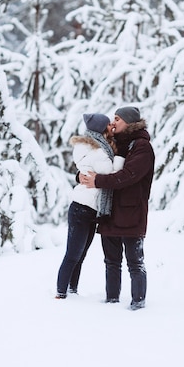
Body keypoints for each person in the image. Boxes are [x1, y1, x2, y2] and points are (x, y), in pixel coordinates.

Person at [80, 106, 154, 310]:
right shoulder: (111, 145)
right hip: (109, 211)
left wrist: (98, 181)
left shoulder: (141, 147)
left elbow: (129, 175)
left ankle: (138, 303)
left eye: (117, 119)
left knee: (134, 262)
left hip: (131, 212)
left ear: (129, 123)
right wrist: (80, 176)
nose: (113, 123)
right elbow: (91, 164)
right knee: (111, 262)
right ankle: (111, 301)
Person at [56, 113, 124, 299]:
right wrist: (119, 158)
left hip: (87, 208)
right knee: (74, 253)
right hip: (83, 207)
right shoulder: (97, 151)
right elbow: (110, 172)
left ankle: (71, 289)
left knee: (79, 253)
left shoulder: (90, 146)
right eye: (108, 125)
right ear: (101, 129)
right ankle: (61, 291)